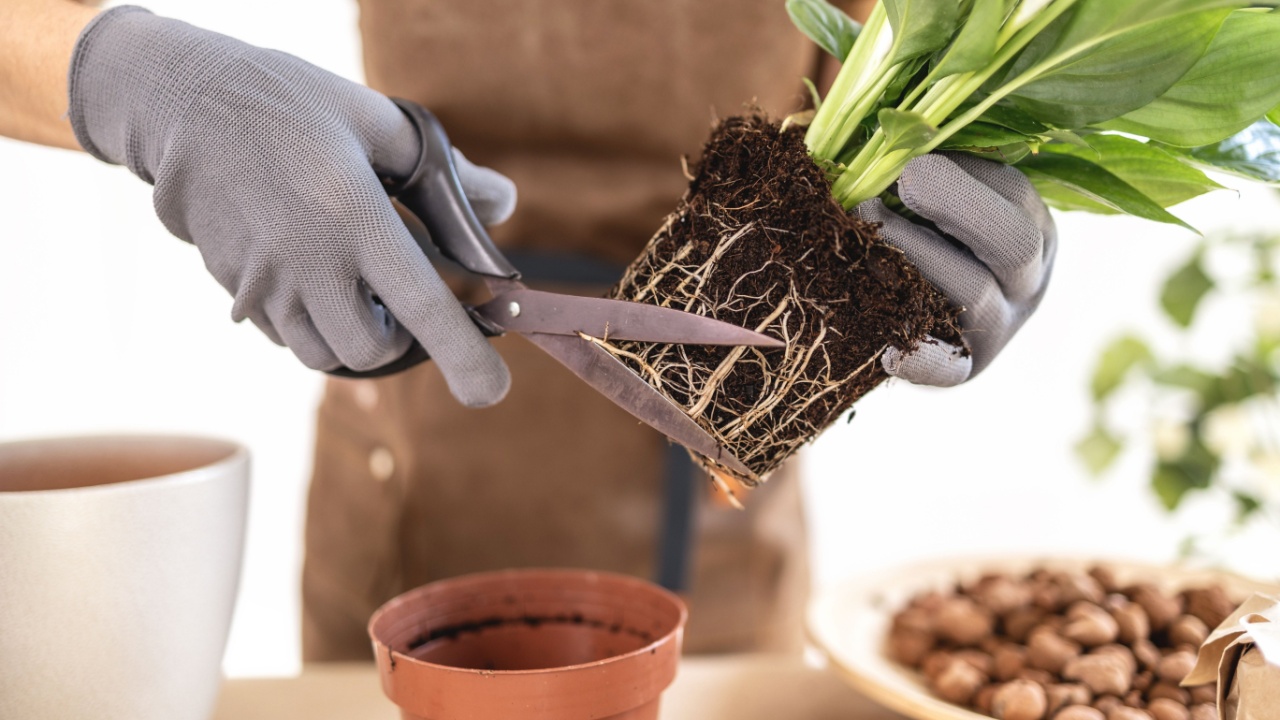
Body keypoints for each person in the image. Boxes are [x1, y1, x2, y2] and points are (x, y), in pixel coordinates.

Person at [1, 0, 1056, 657]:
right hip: (410, 450)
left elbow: (928, 54)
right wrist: (135, 75)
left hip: (720, 501)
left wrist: (971, 207)